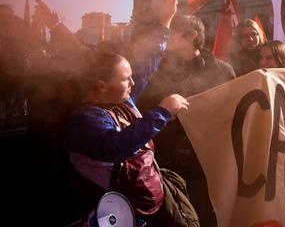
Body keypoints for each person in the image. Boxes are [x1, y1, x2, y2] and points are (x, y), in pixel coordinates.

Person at [63, 51, 195, 226]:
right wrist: (162, 112)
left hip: (151, 200)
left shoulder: (120, 101)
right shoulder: (83, 121)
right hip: (121, 213)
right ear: (102, 86)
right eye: (126, 78)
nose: (133, 82)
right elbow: (116, 147)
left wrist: (164, 25)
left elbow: (147, 68)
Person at [139, 13, 235, 227]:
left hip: (204, 165)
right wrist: (163, 110)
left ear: (191, 35)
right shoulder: (156, 71)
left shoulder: (222, 71)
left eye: (171, 32)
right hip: (165, 163)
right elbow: (143, 110)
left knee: (204, 215)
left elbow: (232, 115)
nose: (164, 37)